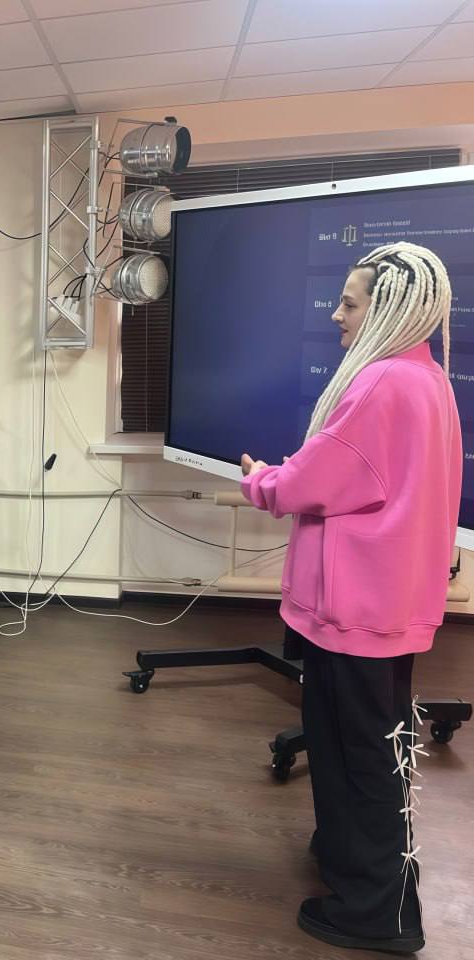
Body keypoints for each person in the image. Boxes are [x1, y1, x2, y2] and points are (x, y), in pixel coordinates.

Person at [240, 242, 460, 954]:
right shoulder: (428, 378)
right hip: (385, 606)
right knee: (373, 746)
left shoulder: (382, 382)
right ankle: (357, 860)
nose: (336, 314)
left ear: (387, 309)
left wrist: (260, 479)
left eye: (350, 302)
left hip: (356, 610)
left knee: (356, 751)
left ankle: (379, 913)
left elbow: (314, 480)